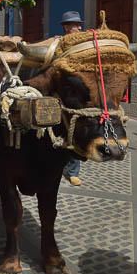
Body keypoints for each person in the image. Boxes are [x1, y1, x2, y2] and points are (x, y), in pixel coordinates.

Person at [60, 11, 84, 186]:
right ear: (66, 27)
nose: (77, 27)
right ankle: (59, 164)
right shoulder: (58, 43)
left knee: (77, 130)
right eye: (73, 25)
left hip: (78, 95)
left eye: (77, 24)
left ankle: (73, 171)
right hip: (60, 93)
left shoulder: (85, 44)